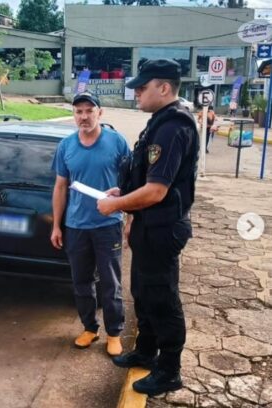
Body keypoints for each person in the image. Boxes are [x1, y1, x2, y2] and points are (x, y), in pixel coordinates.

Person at [97, 59, 199, 396]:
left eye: (143, 87)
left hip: (162, 228)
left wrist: (115, 205)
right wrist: (124, 196)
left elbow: (157, 191)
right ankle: (146, 352)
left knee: (162, 298)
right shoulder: (159, 123)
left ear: (164, 88)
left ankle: (169, 370)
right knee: (143, 293)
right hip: (146, 225)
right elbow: (145, 179)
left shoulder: (174, 128)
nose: (137, 92)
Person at [50, 91, 131, 357]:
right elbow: (60, 187)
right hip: (76, 227)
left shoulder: (117, 143)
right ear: (74, 115)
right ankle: (89, 328)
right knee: (81, 281)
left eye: (89, 110)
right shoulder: (66, 146)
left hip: (108, 225)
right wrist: (56, 225)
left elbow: (132, 184)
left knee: (110, 283)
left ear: (100, 112)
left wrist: (130, 217)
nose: (84, 116)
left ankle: (114, 333)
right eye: (78, 111)